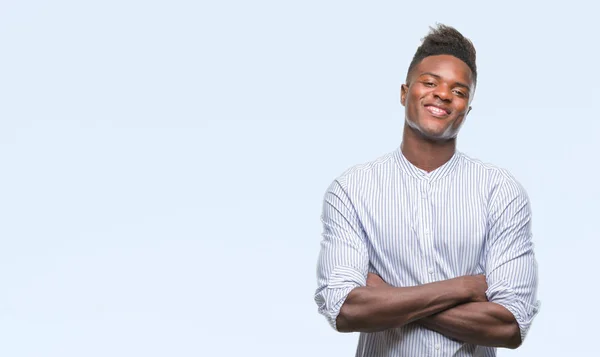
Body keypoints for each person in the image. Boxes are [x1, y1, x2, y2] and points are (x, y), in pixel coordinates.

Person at [314, 24, 540, 357]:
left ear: (467, 110)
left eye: (459, 91)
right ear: (405, 92)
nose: (444, 94)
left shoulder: (501, 192)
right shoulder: (351, 190)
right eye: (430, 82)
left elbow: (509, 326)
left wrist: (389, 297)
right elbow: (345, 310)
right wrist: (464, 288)